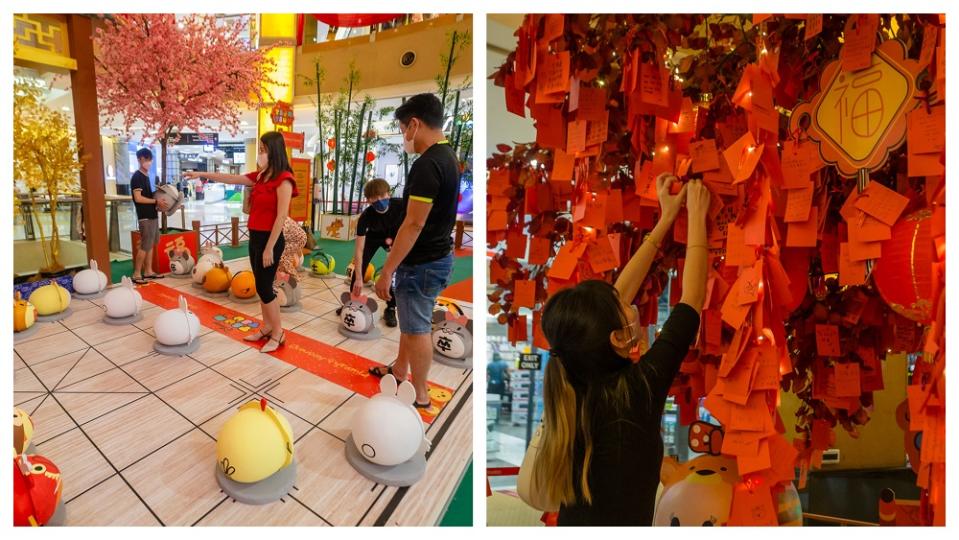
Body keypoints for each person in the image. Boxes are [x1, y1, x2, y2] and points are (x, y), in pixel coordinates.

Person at [526, 173, 710, 526]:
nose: (630, 303)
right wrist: (698, 217)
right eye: (623, 307)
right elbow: (691, 301)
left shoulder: (573, 379)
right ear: (614, 337)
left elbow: (612, 304)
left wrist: (666, 220)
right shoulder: (638, 389)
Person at [370, 93, 459, 408]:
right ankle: (398, 371)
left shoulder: (427, 165)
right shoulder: (449, 157)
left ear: (415, 124)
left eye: (403, 129)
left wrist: (387, 270)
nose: (404, 137)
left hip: (421, 263)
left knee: (417, 327)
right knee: (411, 321)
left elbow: (414, 224)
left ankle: (420, 396)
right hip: (436, 257)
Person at [183, 132, 297, 353]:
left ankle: (278, 332)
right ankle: (266, 327)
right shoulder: (261, 176)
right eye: (260, 150)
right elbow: (231, 179)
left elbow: (281, 217)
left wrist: (269, 247)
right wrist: (200, 173)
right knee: (261, 287)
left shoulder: (284, 179)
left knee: (265, 289)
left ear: (274, 151)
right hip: (255, 236)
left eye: (263, 150)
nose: (260, 154)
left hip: (270, 240)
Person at [338, 178, 403, 327]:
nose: (379, 200)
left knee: (393, 272)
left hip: (395, 238)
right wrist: (360, 278)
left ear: (389, 193)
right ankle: (351, 302)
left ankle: (391, 308)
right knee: (359, 268)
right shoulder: (365, 217)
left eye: (382, 195)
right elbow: (359, 251)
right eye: (374, 198)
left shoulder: (401, 205)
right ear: (368, 200)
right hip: (373, 238)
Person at [130, 148, 168, 284]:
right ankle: (136, 274)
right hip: (144, 216)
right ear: (139, 160)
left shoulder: (146, 176)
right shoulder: (137, 177)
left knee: (151, 244)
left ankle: (148, 271)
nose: (148, 162)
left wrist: (158, 196)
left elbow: (146, 196)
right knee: (145, 245)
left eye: (149, 160)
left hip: (152, 215)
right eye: (145, 160)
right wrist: (155, 200)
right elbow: (138, 198)